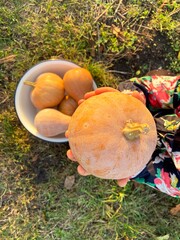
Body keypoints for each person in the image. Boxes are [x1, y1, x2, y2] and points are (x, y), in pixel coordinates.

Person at [66, 70, 180, 198]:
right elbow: (172, 88)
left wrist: (136, 168)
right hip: (152, 115)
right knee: (151, 83)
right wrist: (132, 98)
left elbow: (165, 178)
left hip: (149, 153)